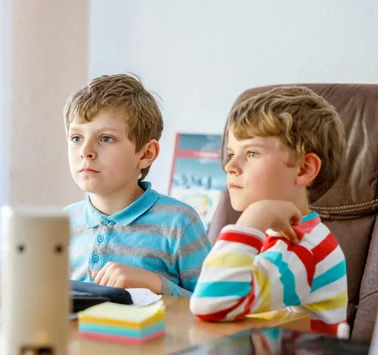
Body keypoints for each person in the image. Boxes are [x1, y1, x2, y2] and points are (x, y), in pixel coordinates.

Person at [189, 86, 347, 335]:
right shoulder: (277, 238)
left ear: (304, 169)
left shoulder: (304, 249)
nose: (230, 165)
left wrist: (251, 220)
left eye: (252, 153)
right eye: (231, 153)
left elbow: (211, 303)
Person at [63, 73, 210, 295]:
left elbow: (214, 308)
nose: (85, 151)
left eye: (106, 138)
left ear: (146, 153)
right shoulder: (60, 224)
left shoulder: (179, 223)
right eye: (76, 138)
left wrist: (155, 284)